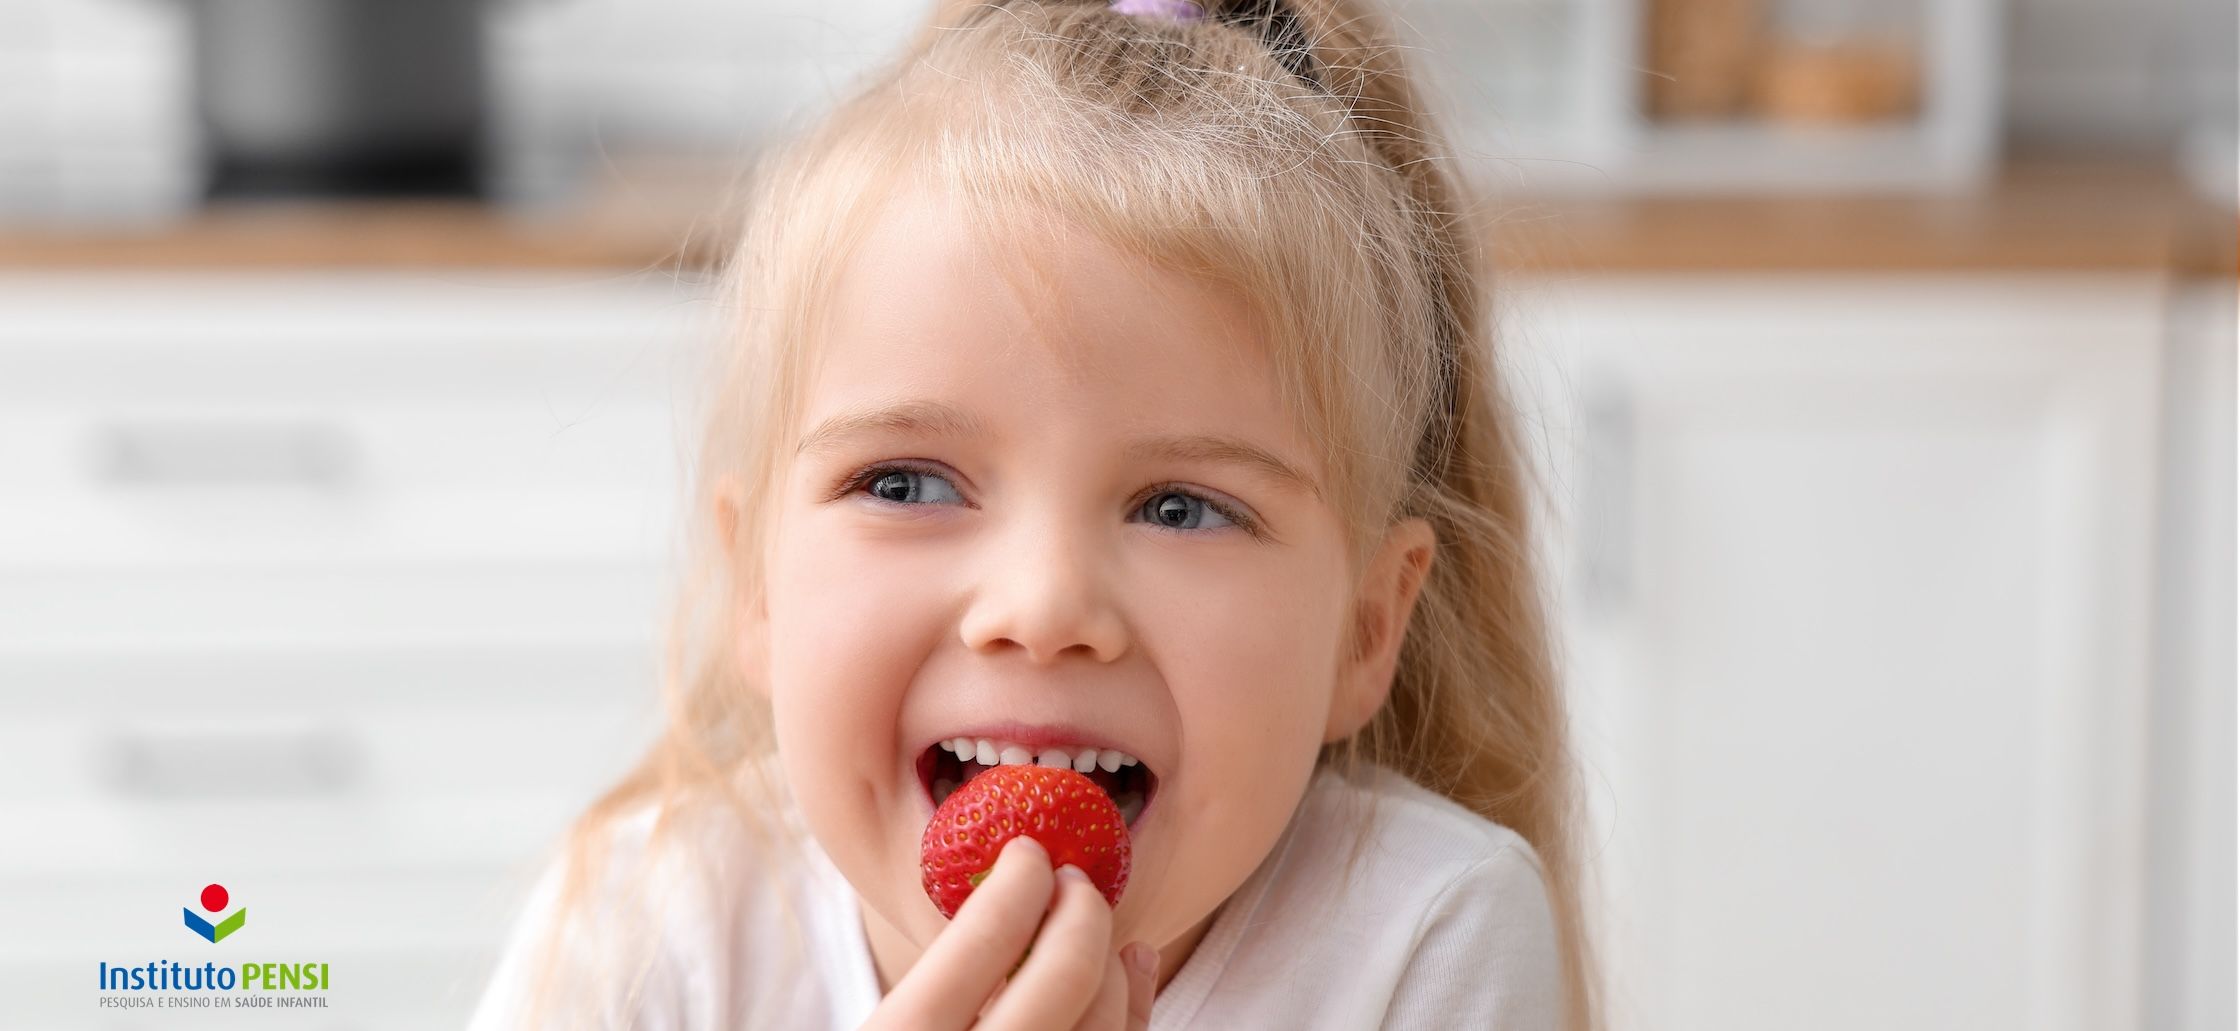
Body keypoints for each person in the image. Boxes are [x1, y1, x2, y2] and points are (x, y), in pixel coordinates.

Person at [465, 0, 1603, 1027]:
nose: (1043, 604)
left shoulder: (1423, 932)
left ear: (1365, 628)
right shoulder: (644, 923)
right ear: (755, 586)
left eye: (1180, 506)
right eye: (905, 482)